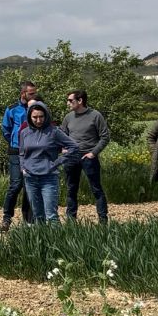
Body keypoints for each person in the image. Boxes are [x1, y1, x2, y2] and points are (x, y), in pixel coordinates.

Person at [15, 100, 80, 225]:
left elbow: (74, 147)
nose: (38, 120)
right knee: (37, 215)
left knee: (51, 215)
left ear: (46, 116)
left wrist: (58, 161)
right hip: (30, 177)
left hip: (49, 176)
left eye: (41, 117)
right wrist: (23, 168)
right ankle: (42, 242)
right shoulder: (24, 133)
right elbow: (21, 153)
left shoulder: (54, 131)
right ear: (29, 116)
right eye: (35, 117)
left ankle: (56, 242)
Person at [59, 89, 110, 225]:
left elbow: (105, 136)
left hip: (88, 157)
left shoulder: (95, 115)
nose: (68, 103)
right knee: (71, 189)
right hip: (71, 157)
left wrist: (93, 153)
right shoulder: (68, 117)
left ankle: (103, 221)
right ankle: (71, 222)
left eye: (70, 100)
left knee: (96, 188)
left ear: (80, 101)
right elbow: (61, 135)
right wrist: (64, 149)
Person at [0, 80, 38, 230]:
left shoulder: (37, 107)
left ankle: (29, 221)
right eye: (31, 93)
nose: (35, 95)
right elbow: (6, 129)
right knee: (16, 184)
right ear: (23, 94)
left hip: (33, 151)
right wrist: (16, 141)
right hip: (16, 150)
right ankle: (6, 218)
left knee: (30, 185)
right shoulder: (12, 109)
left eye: (35, 92)